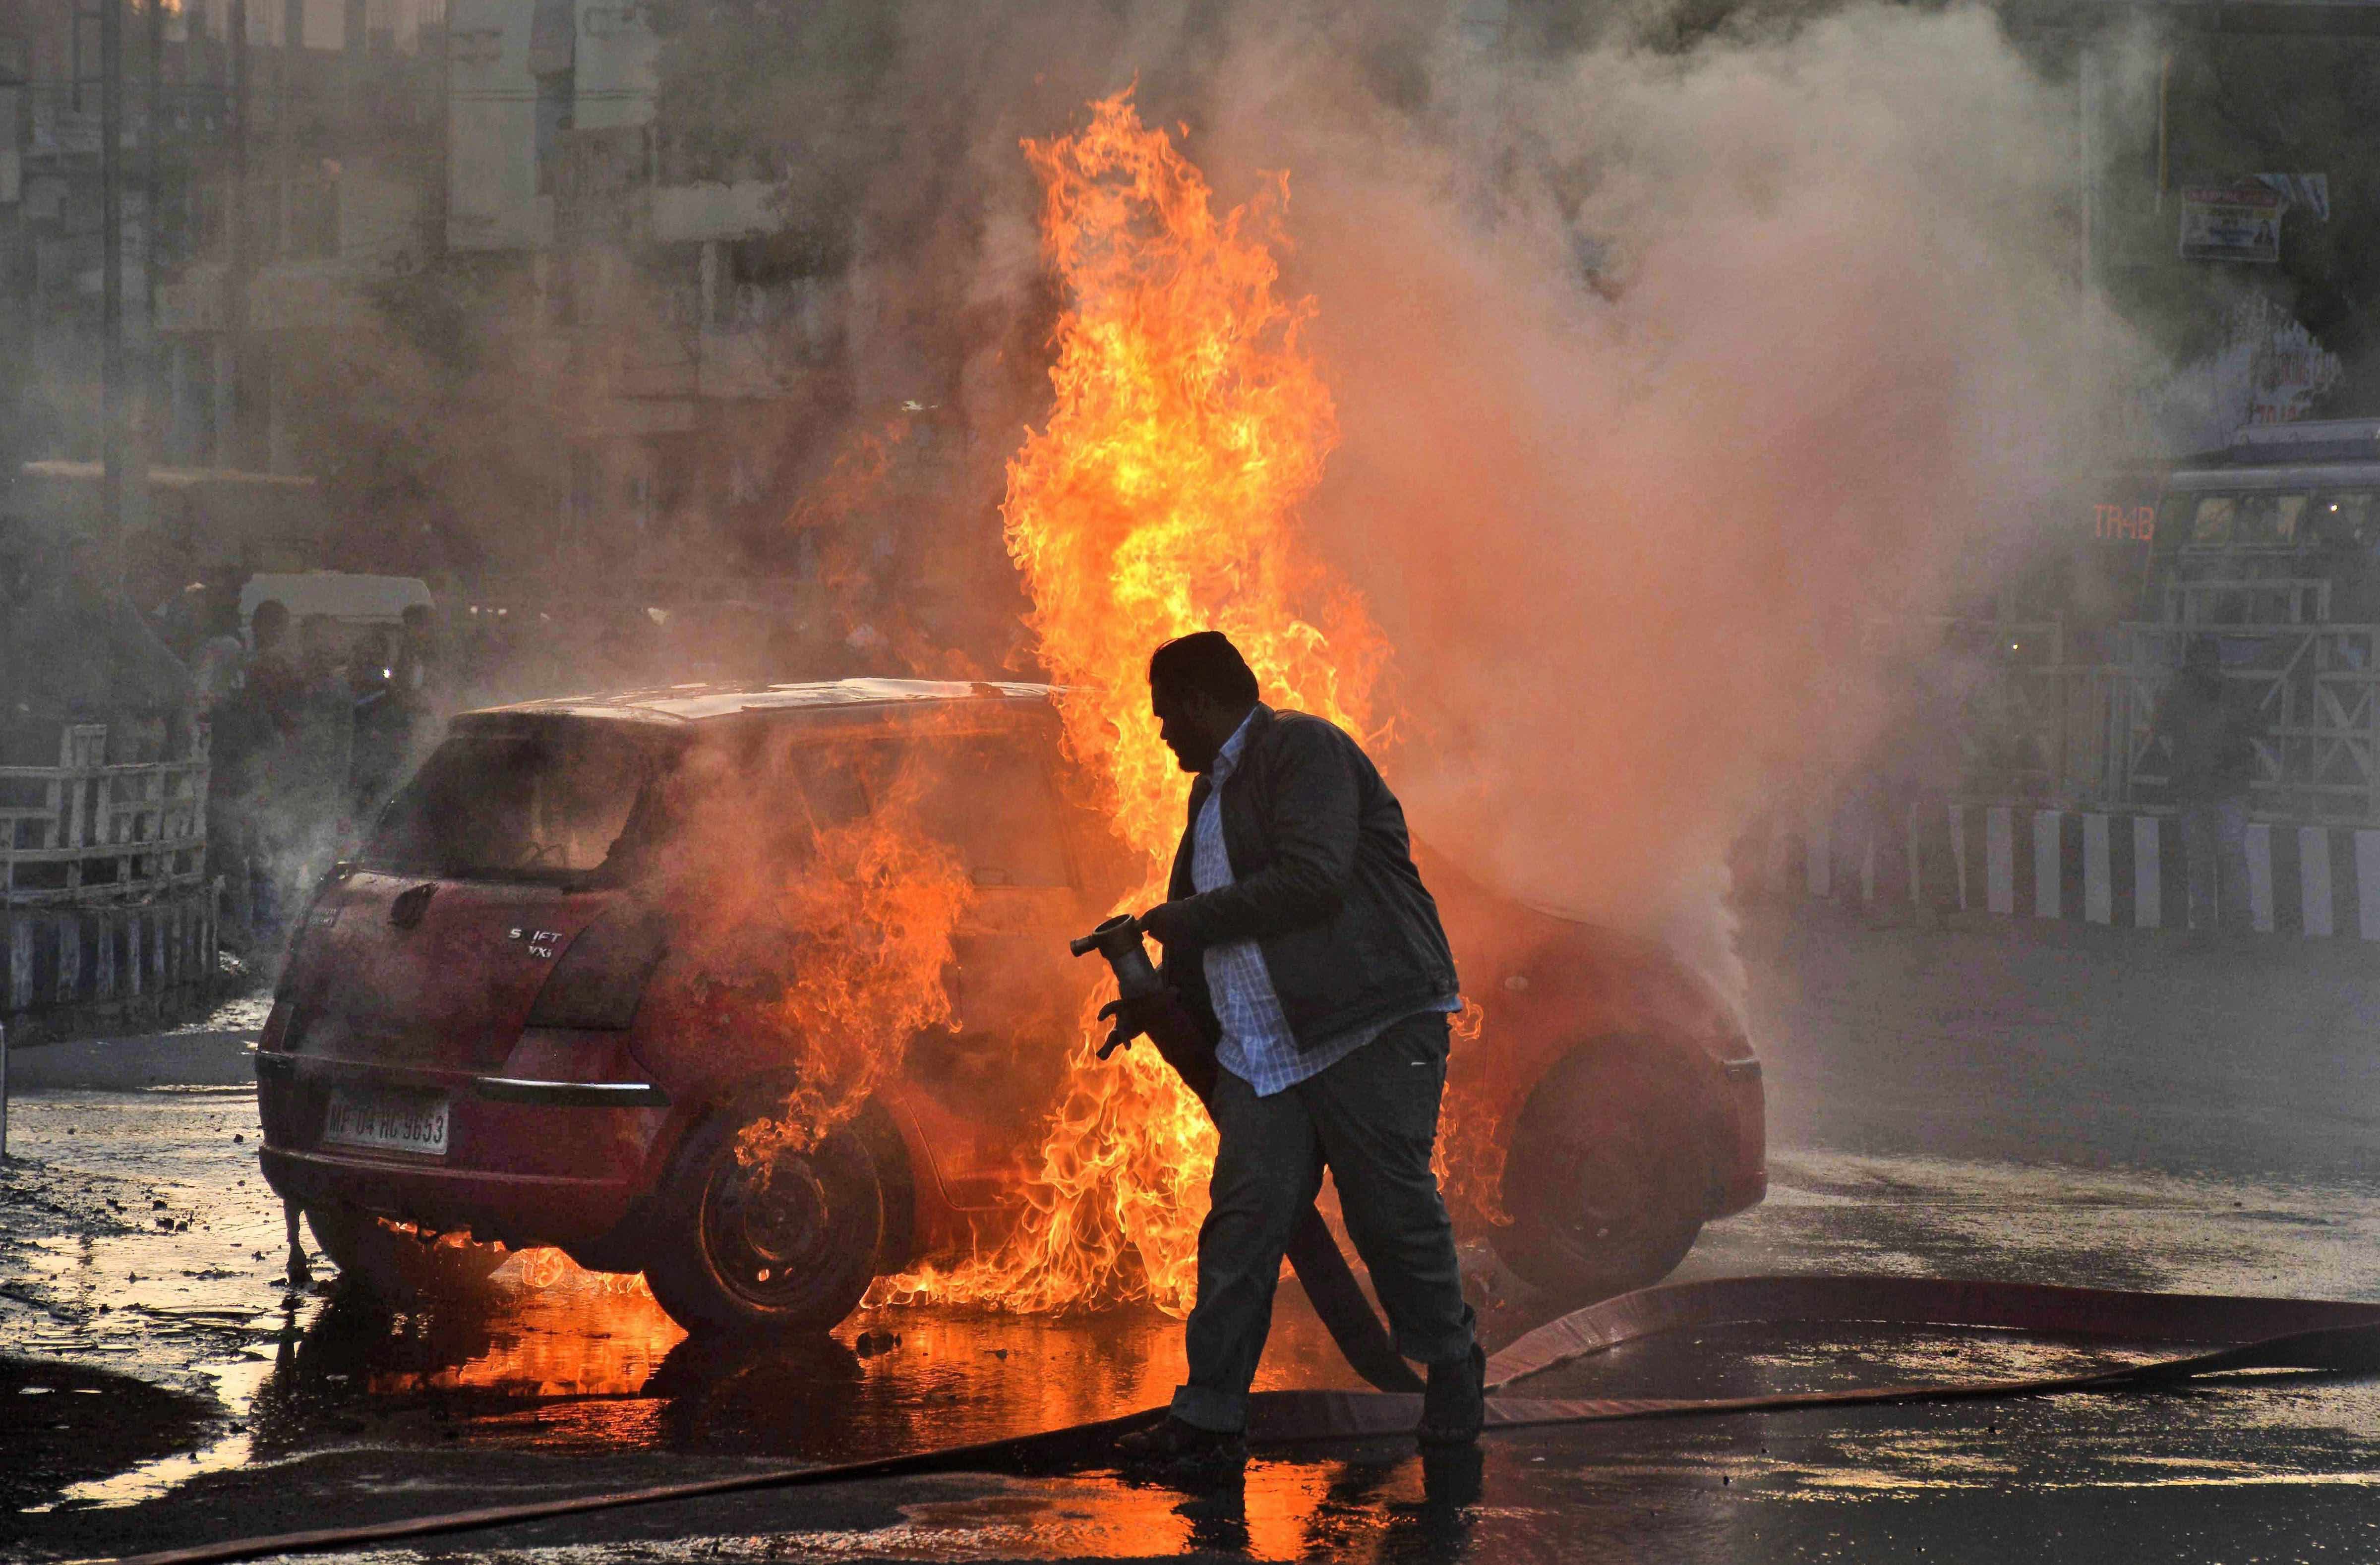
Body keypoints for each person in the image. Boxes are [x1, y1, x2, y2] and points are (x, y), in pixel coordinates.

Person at [1111, 631, 1479, 1469]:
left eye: (1167, 713)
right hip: (1266, 1056)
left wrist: (1184, 922)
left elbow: (1315, 878)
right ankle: (1208, 1418)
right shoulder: (1207, 798)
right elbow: (1207, 938)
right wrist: (1153, 1002)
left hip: (1368, 1029)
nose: (1161, 731)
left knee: (1391, 1215)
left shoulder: (1302, 750)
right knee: (1242, 1227)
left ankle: (1452, 1368)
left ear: (1205, 700)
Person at [2152, 637, 2257, 933]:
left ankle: (2223, 926)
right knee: (2218, 857)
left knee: (2219, 856)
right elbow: (2161, 731)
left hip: (2219, 788)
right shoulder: (2193, 694)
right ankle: (2226, 926)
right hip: (2210, 788)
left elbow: (2161, 732)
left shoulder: (2218, 693)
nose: (2204, 669)